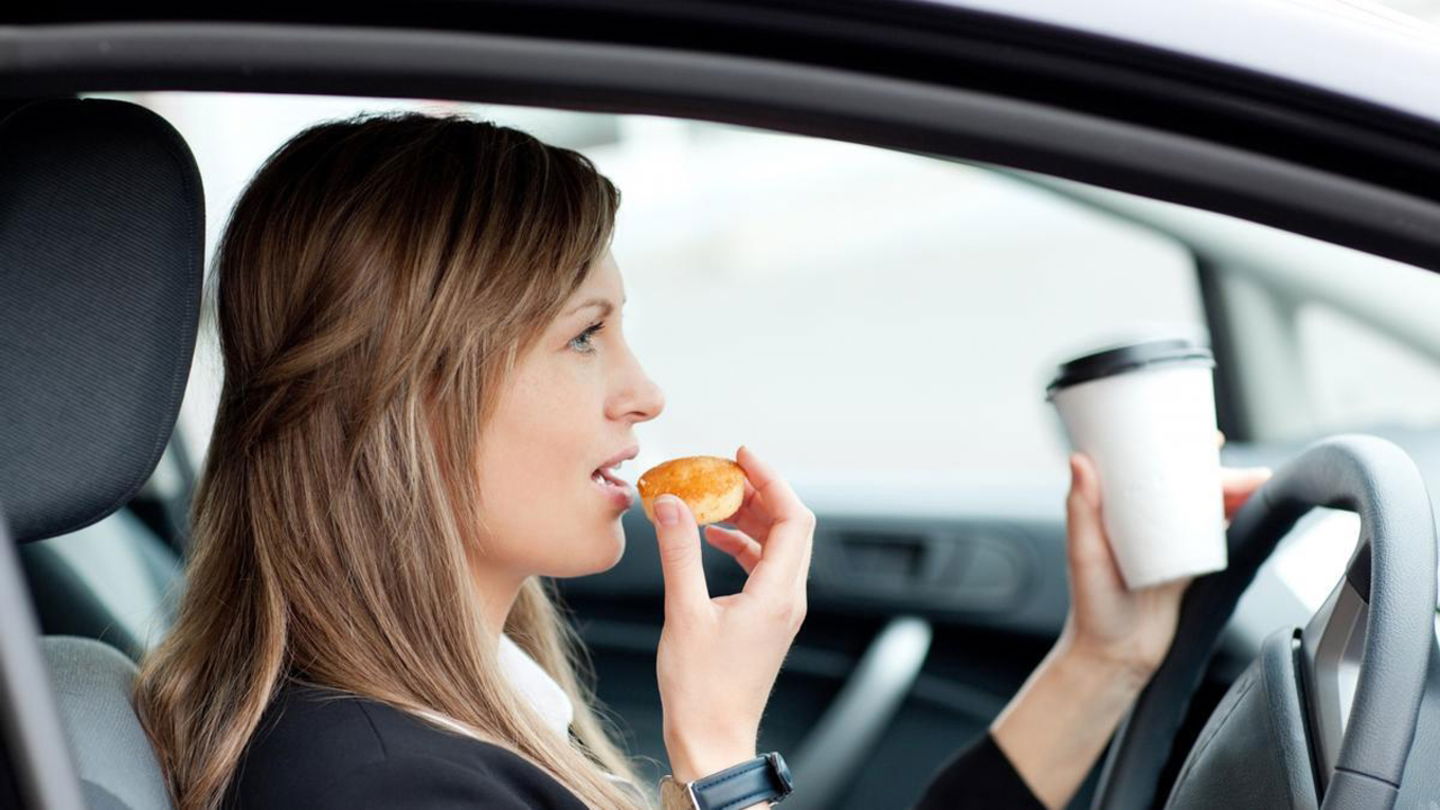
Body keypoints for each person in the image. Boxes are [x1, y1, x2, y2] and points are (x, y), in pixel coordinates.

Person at [132, 111, 1270, 810]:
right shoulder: (376, 785)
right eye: (585, 336)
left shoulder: (440, 716)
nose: (647, 392)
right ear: (409, 396)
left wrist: (1104, 661)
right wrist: (718, 755)